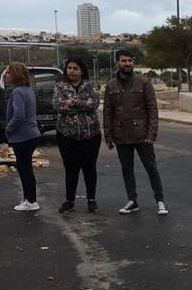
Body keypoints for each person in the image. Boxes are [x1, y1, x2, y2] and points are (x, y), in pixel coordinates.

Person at [103, 49, 167, 215]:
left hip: (142, 135)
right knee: (127, 169)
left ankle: (160, 200)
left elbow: (152, 109)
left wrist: (151, 134)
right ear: (117, 62)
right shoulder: (111, 85)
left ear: (133, 62)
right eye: (124, 61)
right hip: (121, 136)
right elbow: (107, 112)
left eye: (130, 61)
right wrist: (108, 136)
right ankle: (132, 200)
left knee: (151, 168)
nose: (127, 64)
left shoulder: (144, 83)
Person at [55, 56, 101, 213]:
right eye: (69, 68)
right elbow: (58, 105)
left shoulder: (89, 86)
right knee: (71, 168)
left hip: (91, 135)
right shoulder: (60, 86)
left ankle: (91, 199)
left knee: (89, 168)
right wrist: (81, 104)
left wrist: (73, 103)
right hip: (67, 135)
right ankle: (69, 200)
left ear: (82, 71)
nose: (72, 71)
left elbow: (94, 103)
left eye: (75, 68)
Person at [3, 62, 41, 211]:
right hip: (32, 134)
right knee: (25, 168)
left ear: (16, 75)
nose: (6, 75)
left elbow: (19, 115)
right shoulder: (28, 89)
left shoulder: (17, 92)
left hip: (23, 136)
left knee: (25, 169)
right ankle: (29, 198)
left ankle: (31, 200)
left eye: (8, 72)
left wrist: (8, 128)